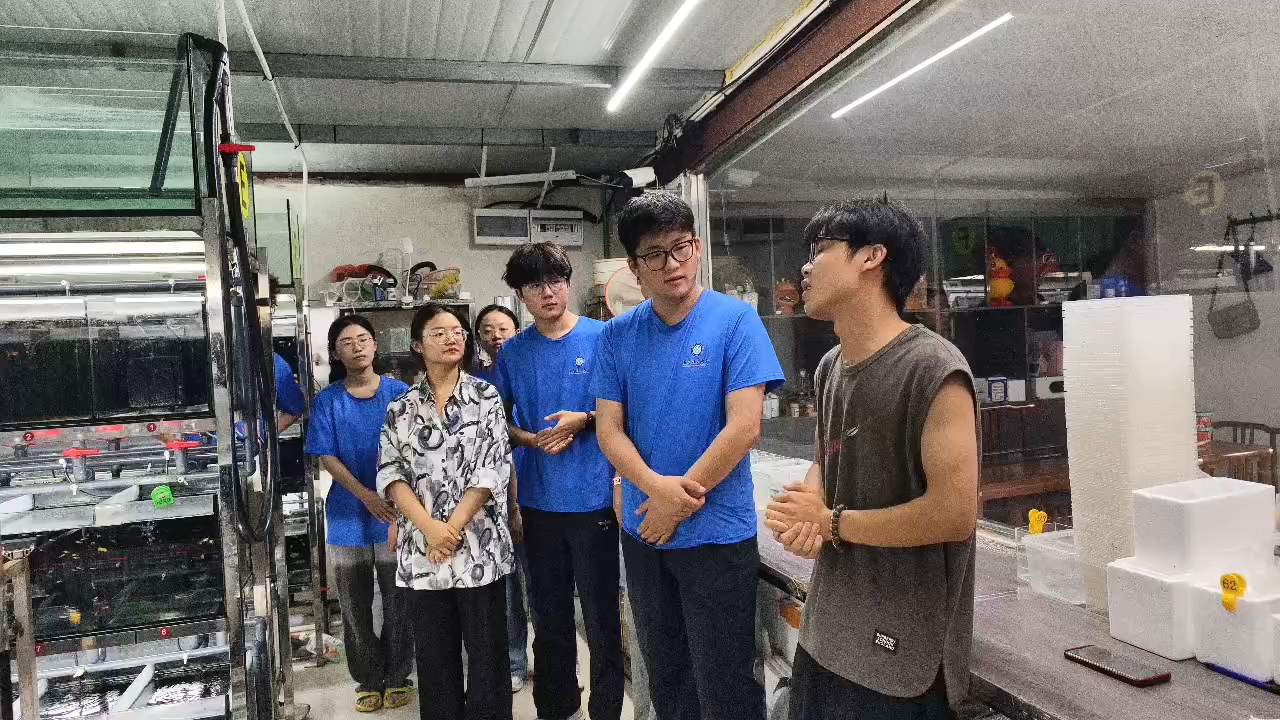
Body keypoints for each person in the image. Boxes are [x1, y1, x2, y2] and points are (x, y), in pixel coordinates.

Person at [765, 198, 979, 719]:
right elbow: (829, 456)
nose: (805, 268)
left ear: (871, 256)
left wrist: (831, 522)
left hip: (898, 658)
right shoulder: (830, 366)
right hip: (826, 632)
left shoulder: (932, 368)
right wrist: (810, 499)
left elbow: (954, 514)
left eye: (820, 249)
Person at [592, 192, 784, 720]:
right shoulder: (617, 336)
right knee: (668, 678)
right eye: (655, 254)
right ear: (635, 266)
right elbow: (609, 430)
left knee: (726, 684)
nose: (672, 264)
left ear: (697, 247)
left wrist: (674, 503)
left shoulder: (736, 321)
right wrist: (657, 492)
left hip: (717, 536)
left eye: (681, 247)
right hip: (646, 533)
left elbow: (744, 427)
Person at [494, 243, 623, 720]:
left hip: (596, 501)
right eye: (534, 285)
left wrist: (583, 420)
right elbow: (496, 421)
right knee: (549, 618)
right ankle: (556, 705)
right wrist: (530, 438)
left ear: (568, 283)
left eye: (555, 281)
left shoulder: (604, 337)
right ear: (520, 295)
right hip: (538, 504)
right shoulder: (513, 351)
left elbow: (626, 409)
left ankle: (606, 709)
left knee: (602, 617)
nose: (547, 292)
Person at [377, 303, 515, 720]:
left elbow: (492, 469)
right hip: (424, 552)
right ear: (418, 345)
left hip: (478, 547)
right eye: (439, 333)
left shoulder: (485, 397)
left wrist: (449, 529)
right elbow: (391, 474)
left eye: (458, 331)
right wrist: (429, 529)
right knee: (435, 659)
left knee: (488, 656)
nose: (452, 338)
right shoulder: (400, 408)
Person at [304, 314, 414, 713]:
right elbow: (326, 456)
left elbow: (413, 451)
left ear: (375, 345)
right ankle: (368, 678)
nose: (357, 347)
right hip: (348, 514)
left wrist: (392, 498)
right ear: (336, 352)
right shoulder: (328, 400)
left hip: (396, 512)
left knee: (399, 600)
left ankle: (398, 674)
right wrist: (366, 495)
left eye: (363, 339)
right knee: (354, 604)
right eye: (347, 342)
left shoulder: (401, 394)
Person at [473, 303, 533, 693]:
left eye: (503, 328)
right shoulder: (475, 383)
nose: (496, 336)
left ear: (516, 330)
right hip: (494, 498)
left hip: (539, 491)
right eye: (488, 330)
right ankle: (514, 661)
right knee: (508, 588)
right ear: (477, 338)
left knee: (544, 586)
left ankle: (560, 662)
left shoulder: (530, 368)